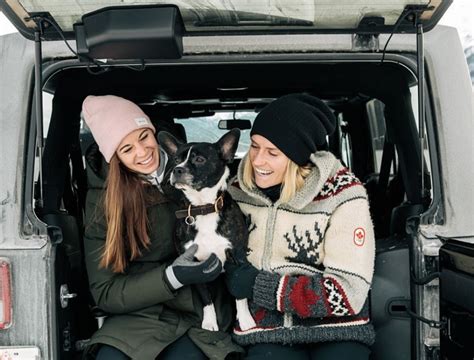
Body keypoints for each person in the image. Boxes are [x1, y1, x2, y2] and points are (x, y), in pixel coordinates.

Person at [81, 95, 243, 360]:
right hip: (137, 316)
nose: (143, 152)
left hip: (198, 310)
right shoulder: (102, 202)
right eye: (127, 149)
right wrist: (172, 276)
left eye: (144, 137)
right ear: (115, 158)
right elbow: (105, 292)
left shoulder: (204, 180)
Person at [225, 93, 375, 360]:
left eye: (272, 153)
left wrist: (262, 286)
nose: (258, 161)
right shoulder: (236, 192)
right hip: (263, 330)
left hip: (337, 330)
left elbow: (348, 293)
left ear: (299, 157)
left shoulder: (343, 194)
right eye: (255, 147)